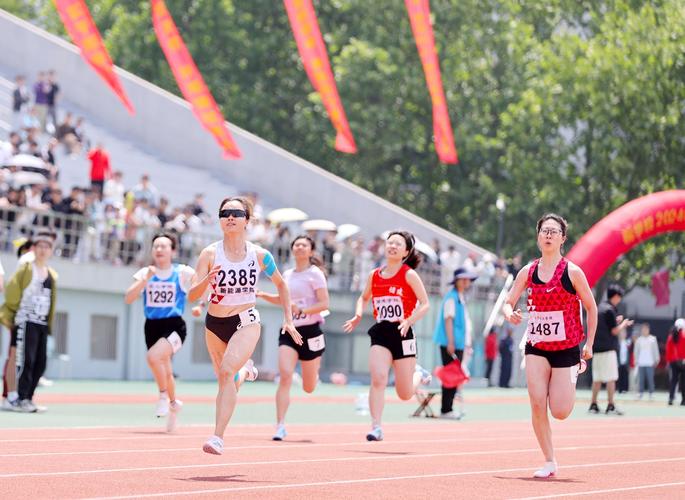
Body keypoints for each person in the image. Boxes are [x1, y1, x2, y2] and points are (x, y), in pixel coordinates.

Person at [188, 197, 299, 455]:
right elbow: (192, 294)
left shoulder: (260, 255)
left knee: (226, 372)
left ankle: (217, 437)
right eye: (224, 213)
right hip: (215, 323)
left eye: (236, 213)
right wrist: (207, 280)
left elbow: (282, 285)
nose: (230, 217)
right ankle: (245, 372)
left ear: (247, 220)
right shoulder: (209, 253)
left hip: (246, 321)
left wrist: (288, 319)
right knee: (226, 381)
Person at [503, 213, 597, 478]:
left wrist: (588, 344)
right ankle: (549, 460)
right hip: (536, 345)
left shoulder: (572, 272)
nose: (548, 235)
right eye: (544, 231)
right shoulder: (528, 271)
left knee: (560, 411)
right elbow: (508, 302)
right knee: (535, 402)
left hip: (567, 348)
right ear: (538, 236)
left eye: (554, 231)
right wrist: (509, 313)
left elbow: (591, 307)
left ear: (562, 239)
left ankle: (571, 376)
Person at [343, 230, 430, 441]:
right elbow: (363, 298)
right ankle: (376, 427)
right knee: (379, 378)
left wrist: (409, 321)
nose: (392, 246)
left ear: (406, 252)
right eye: (390, 242)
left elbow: (425, 304)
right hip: (381, 331)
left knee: (405, 393)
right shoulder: (374, 275)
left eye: (398, 244)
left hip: (403, 332)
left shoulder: (409, 274)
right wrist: (357, 315)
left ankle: (419, 375)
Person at [257, 235, 329, 441]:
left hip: (311, 330)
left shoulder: (315, 274)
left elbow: (324, 303)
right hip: (289, 330)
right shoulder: (287, 274)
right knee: (285, 375)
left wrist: (304, 309)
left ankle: (313, 372)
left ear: (311, 251)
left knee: (308, 387)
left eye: (304, 245)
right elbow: (283, 300)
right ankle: (280, 425)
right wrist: (262, 295)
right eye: (296, 244)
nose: (299, 247)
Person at [124, 232, 195, 432]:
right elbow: (128, 298)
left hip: (174, 326)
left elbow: (199, 287)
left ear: (173, 251)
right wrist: (145, 279)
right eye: (156, 246)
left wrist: (202, 302)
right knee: (165, 368)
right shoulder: (146, 272)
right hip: (152, 326)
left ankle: (163, 395)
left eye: (164, 246)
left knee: (153, 357)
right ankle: (174, 405)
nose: (159, 250)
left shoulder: (182, 272)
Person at [0, 231, 58, 413]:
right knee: (26, 360)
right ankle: (20, 397)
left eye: (47, 247)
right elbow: (11, 292)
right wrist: (13, 315)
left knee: (40, 362)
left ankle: (29, 398)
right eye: (40, 246)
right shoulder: (26, 268)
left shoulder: (51, 274)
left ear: (51, 251)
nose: (43, 250)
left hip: (41, 323)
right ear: (33, 249)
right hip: (26, 321)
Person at [433, 267, 477, 418]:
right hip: (451, 343)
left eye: (468, 279)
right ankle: (446, 409)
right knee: (450, 375)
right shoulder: (451, 297)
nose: (467, 282)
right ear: (457, 281)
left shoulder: (459, 296)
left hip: (457, 343)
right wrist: (451, 342)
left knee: (454, 375)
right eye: (463, 279)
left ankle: (448, 408)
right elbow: (448, 320)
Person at [589, 284, 633, 415]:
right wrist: (624, 324)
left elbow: (606, 325)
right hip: (608, 349)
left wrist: (616, 321)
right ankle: (610, 404)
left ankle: (593, 403)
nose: (619, 300)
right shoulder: (610, 310)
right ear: (615, 296)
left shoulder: (600, 308)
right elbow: (614, 331)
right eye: (619, 297)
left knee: (597, 378)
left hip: (597, 349)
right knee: (611, 378)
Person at [1, 239, 35, 411]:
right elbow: (5, 289)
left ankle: (16, 395)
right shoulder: (25, 264)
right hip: (17, 315)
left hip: (26, 318)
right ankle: (9, 395)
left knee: (18, 356)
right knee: (13, 356)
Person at [633, 323, 660, 401]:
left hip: (650, 362)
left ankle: (651, 393)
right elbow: (636, 351)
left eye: (646, 329)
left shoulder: (653, 339)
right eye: (643, 329)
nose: (644, 331)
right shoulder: (639, 340)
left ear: (648, 330)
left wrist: (657, 359)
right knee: (641, 379)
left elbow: (656, 350)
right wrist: (636, 360)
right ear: (642, 330)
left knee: (650, 379)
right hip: (641, 362)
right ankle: (640, 393)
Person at [666, 318, 685, 406]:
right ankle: (683, 400)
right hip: (683, 361)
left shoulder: (671, 336)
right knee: (683, 381)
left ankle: (671, 398)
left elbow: (668, 350)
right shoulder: (684, 335)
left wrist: (669, 361)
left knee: (673, 380)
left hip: (673, 361)